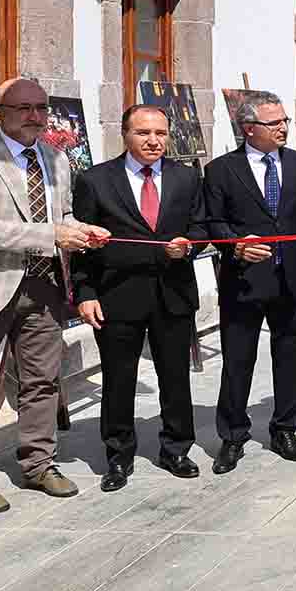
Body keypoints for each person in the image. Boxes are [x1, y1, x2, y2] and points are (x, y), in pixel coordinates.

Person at [0, 77, 109, 513]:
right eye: (23, 108)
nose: (35, 116)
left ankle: (39, 463)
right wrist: (53, 234)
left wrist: (81, 230)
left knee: (42, 382)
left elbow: (64, 214)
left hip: (45, 285)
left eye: (41, 107)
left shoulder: (55, 158)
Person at [71, 104, 206, 492]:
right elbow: (81, 244)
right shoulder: (96, 180)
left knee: (176, 377)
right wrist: (85, 293)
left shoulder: (185, 178)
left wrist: (191, 245)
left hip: (173, 294)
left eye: (161, 133)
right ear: (125, 134)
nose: (153, 141)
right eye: (144, 133)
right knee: (118, 379)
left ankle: (176, 449)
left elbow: (201, 226)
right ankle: (118, 455)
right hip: (117, 296)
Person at [202, 92, 296, 474]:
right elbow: (212, 222)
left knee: (290, 356)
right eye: (275, 124)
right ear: (249, 129)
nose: (284, 128)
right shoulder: (222, 169)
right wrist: (236, 246)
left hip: (292, 279)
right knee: (238, 360)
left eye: (285, 120)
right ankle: (233, 435)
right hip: (243, 281)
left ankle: (285, 428)